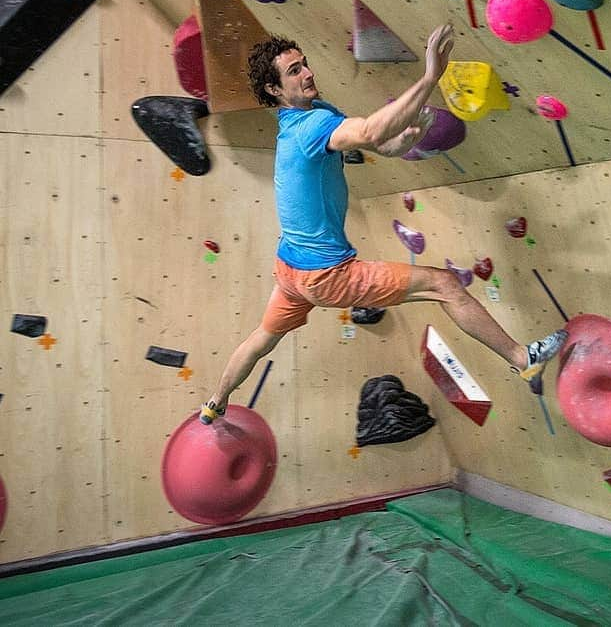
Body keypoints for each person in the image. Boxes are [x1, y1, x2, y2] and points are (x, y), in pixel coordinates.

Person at [199, 23, 567, 424]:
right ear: (274, 90)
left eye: (304, 64)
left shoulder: (317, 114)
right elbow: (373, 127)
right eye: (293, 71)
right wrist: (430, 77)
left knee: (261, 339)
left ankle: (214, 403)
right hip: (325, 274)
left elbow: (380, 143)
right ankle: (522, 359)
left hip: (289, 270)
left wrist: (408, 140)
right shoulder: (308, 128)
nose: (307, 73)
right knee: (443, 285)